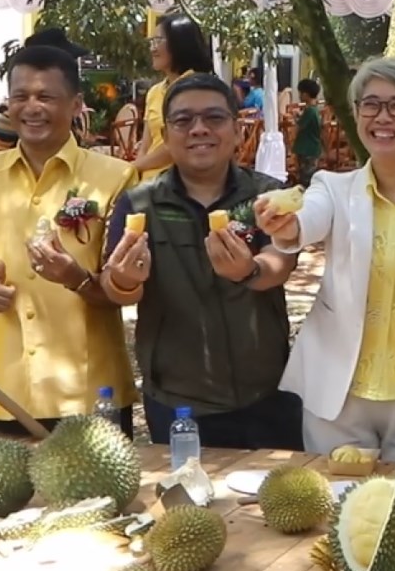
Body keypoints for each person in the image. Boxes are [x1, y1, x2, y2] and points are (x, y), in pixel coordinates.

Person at [258, 58, 395, 463]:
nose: (382, 117)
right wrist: (285, 225)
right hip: (338, 394)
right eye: (370, 105)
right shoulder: (332, 187)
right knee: (334, 512)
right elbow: (306, 221)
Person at [0, 45, 138, 432]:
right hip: (5, 385)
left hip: (89, 390)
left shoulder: (115, 177)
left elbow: (125, 288)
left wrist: (75, 278)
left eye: (46, 96)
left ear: (76, 103)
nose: (32, 108)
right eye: (21, 97)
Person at [102, 74, 301, 448]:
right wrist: (124, 280)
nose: (199, 130)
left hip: (268, 392)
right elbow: (115, 290)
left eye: (214, 118)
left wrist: (249, 271)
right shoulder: (140, 204)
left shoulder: (266, 196)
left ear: (237, 129)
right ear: (167, 133)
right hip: (178, 402)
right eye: (183, 121)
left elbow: (281, 262)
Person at [134, 13, 214, 182]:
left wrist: (136, 166)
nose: (152, 48)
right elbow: (146, 143)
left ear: (179, 44)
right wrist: (137, 172)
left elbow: (177, 145)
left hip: (180, 185)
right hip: (148, 183)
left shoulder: (197, 87)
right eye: (151, 42)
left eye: (158, 41)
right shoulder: (154, 92)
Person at [292, 78, 324, 187]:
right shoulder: (314, 110)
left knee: (306, 178)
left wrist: (295, 118)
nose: (300, 96)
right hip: (312, 148)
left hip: (307, 148)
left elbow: (299, 126)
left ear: (306, 94)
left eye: (300, 93)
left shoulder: (310, 111)